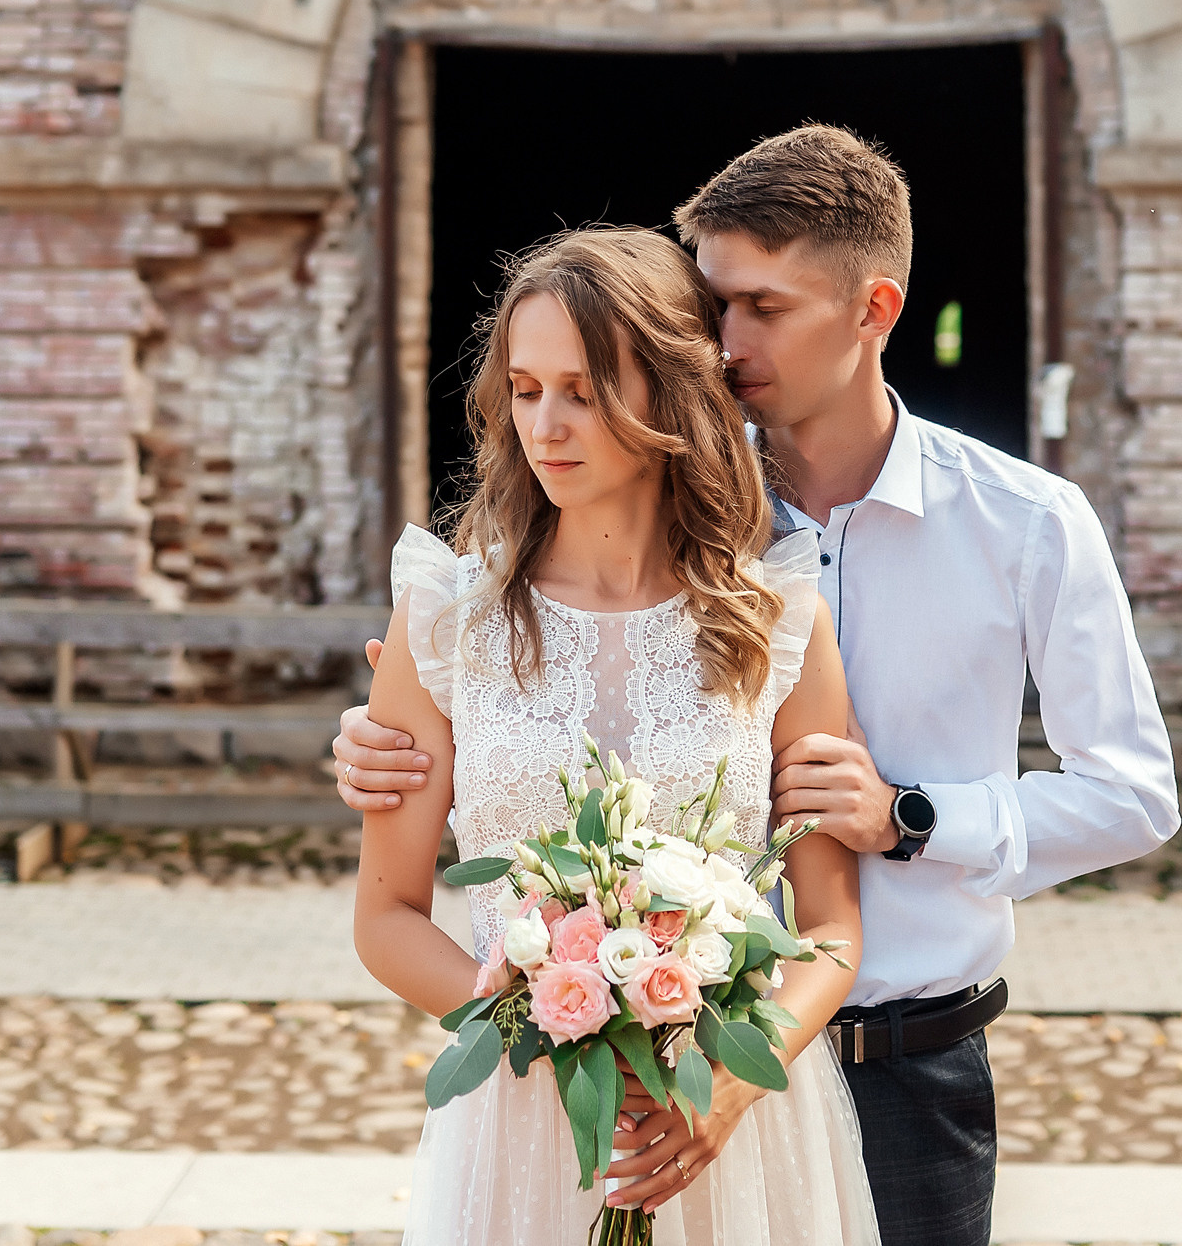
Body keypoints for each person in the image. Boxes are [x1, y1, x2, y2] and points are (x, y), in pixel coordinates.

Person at [338, 126, 1180, 1246]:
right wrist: (403, 723)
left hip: (897, 1055)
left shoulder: (1016, 526)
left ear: (873, 310)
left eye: (760, 308)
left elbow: (1132, 793)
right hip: (569, 1090)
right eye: (711, 306)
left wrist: (910, 816)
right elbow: (465, 764)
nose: (724, 340)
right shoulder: (649, 480)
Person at [352, 226, 880, 1243]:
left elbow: (829, 928)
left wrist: (727, 1079)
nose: (546, 424)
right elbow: (385, 916)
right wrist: (547, 1029)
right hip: (520, 1112)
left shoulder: (777, 621)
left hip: (727, 1121)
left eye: (584, 390)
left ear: (671, 394)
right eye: (525, 387)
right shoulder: (442, 619)